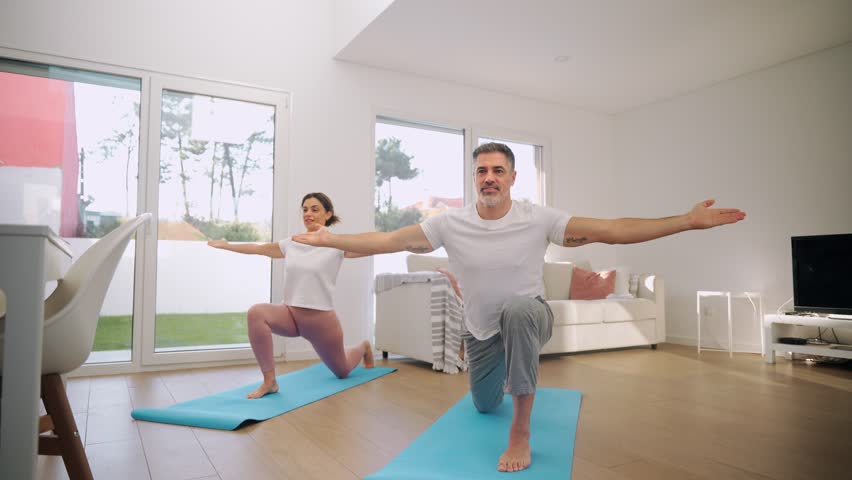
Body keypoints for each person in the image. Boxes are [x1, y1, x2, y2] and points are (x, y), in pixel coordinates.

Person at [293, 143, 746, 472]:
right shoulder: (450, 223)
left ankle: (522, 431)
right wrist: (331, 237)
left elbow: (611, 229)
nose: (488, 177)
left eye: (497, 170)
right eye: (481, 171)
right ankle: (504, 380)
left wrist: (686, 221)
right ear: (474, 179)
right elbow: (389, 240)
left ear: (512, 177)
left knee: (519, 310)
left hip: (529, 315)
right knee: (486, 405)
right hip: (481, 333)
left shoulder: (539, 218)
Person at [208, 192, 374, 399]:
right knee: (256, 313)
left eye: (315, 209)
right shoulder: (292, 243)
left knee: (342, 371)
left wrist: (405, 244)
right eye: (304, 209)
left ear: (328, 214)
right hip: (290, 315)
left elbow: (371, 246)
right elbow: (259, 248)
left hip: (321, 322)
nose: (308, 213)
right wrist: (227, 246)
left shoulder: (337, 244)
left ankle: (363, 347)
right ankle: (270, 382)